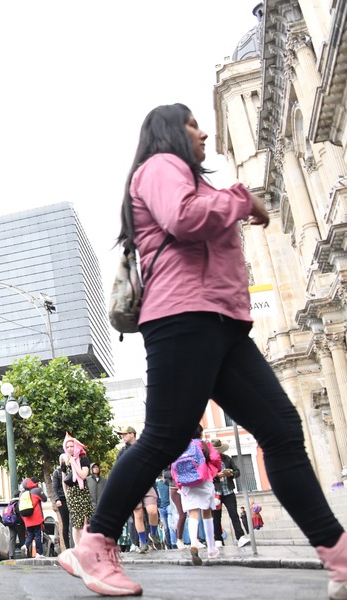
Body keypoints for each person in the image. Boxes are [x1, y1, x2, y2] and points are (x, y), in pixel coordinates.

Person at [58, 104, 347, 598]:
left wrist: (231, 200)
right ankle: (95, 542)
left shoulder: (192, 180)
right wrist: (239, 199)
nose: (204, 132)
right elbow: (184, 219)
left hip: (222, 324)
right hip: (183, 319)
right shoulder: (159, 168)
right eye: (194, 124)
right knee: (164, 438)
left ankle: (338, 557)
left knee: (280, 431)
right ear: (171, 130)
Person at [173, 424, 222, 565]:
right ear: (200, 433)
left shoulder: (181, 446)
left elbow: (173, 467)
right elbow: (215, 458)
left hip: (186, 484)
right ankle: (212, 549)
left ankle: (193, 543)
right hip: (203, 479)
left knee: (192, 513)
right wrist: (214, 471)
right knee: (207, 513)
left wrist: (179, 484)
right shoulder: (203, 444)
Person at [115, 426, 162, 552]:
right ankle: (143, 542)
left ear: (132, 434)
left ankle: (153, 534)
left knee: (152, 511)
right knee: (138, 514)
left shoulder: (145, 448)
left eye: (124, 434)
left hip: (147, 485)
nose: (122, 437)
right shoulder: (122, 452)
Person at [210, 438, 249, 547]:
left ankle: (240, 537)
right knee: (216, 517)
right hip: (216, 493)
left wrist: (231, 473)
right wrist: (217, 475)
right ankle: (218, 539)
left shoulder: (227, 459)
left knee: (234, 515)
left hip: (228, 491)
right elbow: (206, 475)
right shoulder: (208, 461)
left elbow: (237, 471)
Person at [61, 434, 93, 547]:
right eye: (68, 447)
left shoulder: (83, 459)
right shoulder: (65, 461)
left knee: (85, 520)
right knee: (76, 523)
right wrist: (66, 495)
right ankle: (78, 547)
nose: (70, 449)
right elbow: (64, 479)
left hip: (83, 492)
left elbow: (83, 475)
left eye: (71, 446)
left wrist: (74, 462)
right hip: (72, 493)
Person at [20, 477, 46, 558]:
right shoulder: (37, 490)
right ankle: (39, 553)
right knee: (38, 534)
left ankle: (25, 545)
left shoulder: (22, 493)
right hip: (36, 517)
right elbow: (44, 499)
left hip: (27, 518)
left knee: (30, 534)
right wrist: (40, 489)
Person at [52, 454, 72, 551]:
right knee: (66, 523)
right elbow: (54, 488)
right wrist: (57, 499)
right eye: (62, 460)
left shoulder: (71, 470)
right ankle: (68, 547)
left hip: (72, 497)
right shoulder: (57, 472)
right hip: (62, 499)